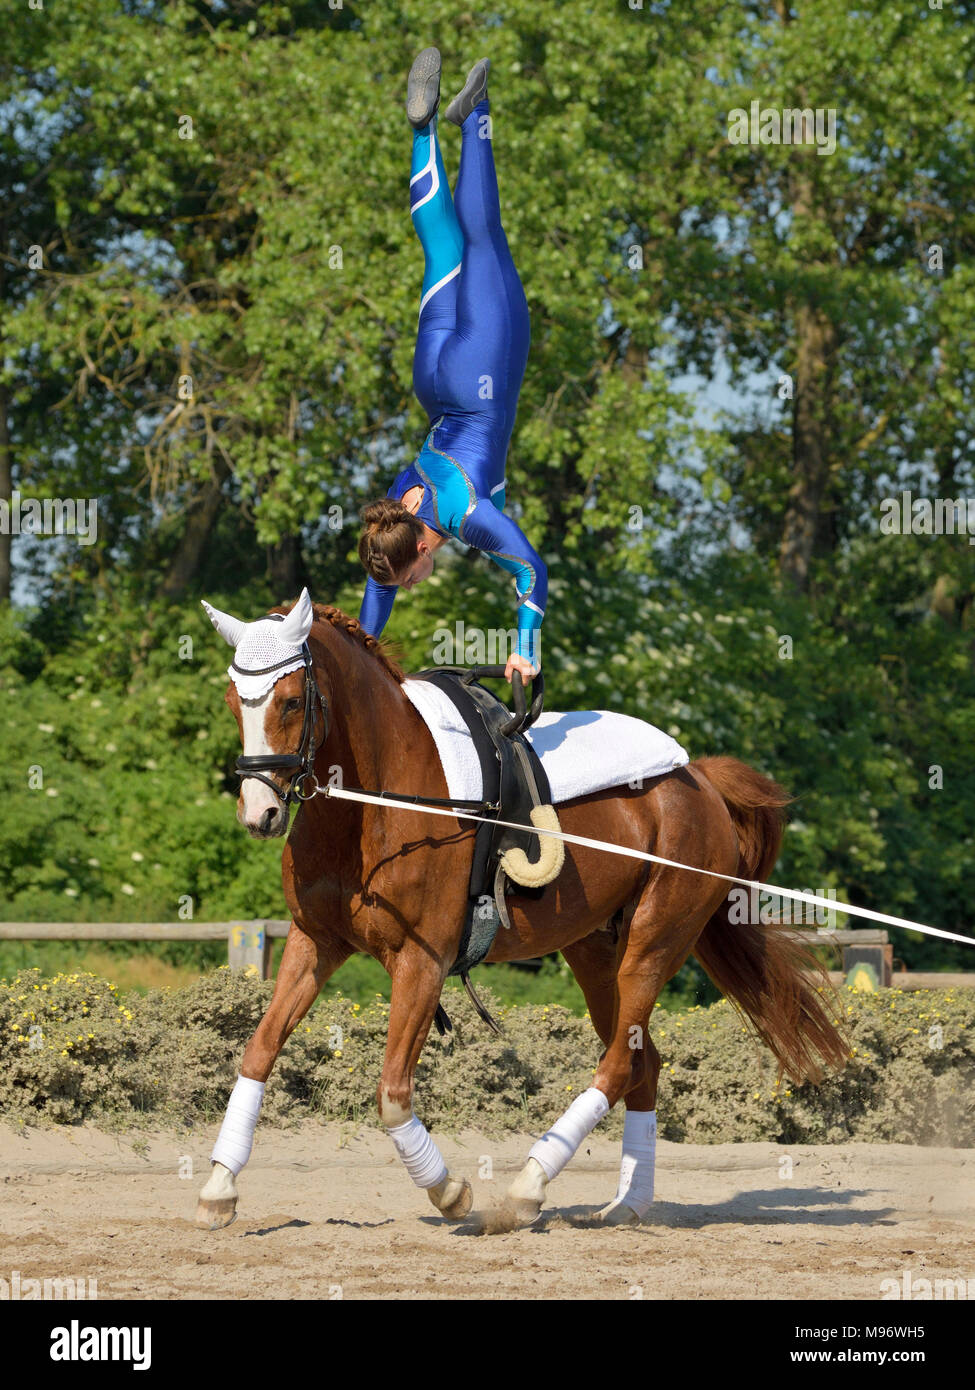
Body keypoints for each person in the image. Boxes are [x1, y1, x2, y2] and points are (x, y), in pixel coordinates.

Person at [357, 48, 546, 685]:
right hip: (432, 381)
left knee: (482, 237)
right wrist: (362, 644)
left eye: (407, 582)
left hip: (478, 374)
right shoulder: (400, 499)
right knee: (440, 246)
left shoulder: (465, 519)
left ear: (418, 557)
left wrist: (526, 649)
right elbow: (377, 584)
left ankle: (475, 115)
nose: (407, 588)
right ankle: (423, 130)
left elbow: (529, 569)